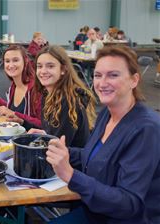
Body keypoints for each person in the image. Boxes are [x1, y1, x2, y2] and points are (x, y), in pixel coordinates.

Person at [47, 45, 160, 223]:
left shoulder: (146, 129)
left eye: (113, 75)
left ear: (134, 80)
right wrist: (54, 148)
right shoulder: (108, 114)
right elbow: (95, 156)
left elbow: (129, 203)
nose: (102, 82)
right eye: (98, 75)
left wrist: (70, 174)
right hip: (95, 210)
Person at [27, 45, 96, 147]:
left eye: (50, 66)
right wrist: (45, 135)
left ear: (63, 69)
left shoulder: (68, 101)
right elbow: (58, 134)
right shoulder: (48, 94)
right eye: (39, 66)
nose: (43, 71)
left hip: (71, 161)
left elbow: (60, 146)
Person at [0, 45, 42, 128]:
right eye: (7, 61)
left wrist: (15, 114)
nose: (10, 65)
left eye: (15, 60)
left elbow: (43, 124)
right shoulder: (13, 86)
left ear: (25, 61)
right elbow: (12, 110)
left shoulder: (36, 89)